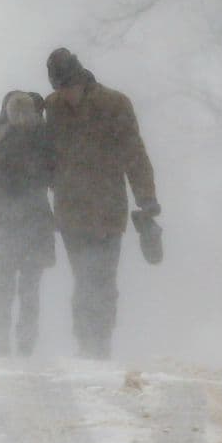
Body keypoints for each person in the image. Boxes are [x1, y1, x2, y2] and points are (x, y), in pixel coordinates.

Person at [44, 47, 159, 359]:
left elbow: (134, 154)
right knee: (83, 277)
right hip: (70, 210)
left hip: (107, 208)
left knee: (104, 279)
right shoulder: (52, 107)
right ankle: (85, 341)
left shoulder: (114, 104)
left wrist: (147, 199)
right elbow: (45, 155)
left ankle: (102, 341)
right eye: (59, 88)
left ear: (80, 78)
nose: (65, 94)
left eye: (68, 86)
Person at [0, 90, 56, 356]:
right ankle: (14, 341)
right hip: (22, 220)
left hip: (12, 220)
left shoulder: (31, 135)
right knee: (16, 286)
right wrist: (23, 177)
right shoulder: (17, 133)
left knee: (12, 286)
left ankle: (14, 341)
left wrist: (9, 176)